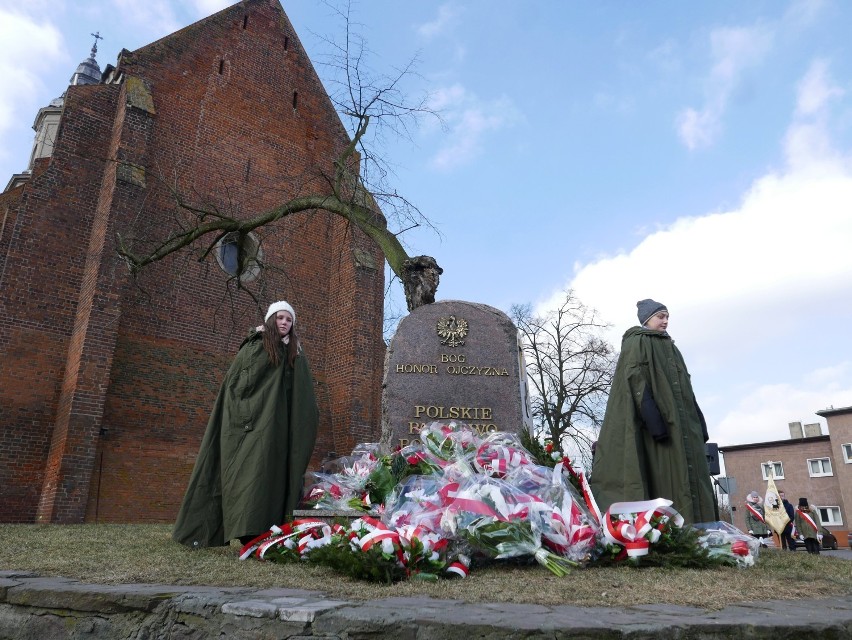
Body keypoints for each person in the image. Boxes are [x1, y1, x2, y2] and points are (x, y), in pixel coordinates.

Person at [173, 301, 319, 548]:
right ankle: (247, 531)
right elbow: (240, 386)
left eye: (289, 320)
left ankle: (270, 530)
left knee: (272, 476)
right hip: (253, 427)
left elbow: (301, 394)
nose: (284, 323)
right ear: (272, 320)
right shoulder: (257, 346)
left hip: (279, 429)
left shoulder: (295, 351)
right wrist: (250, 420)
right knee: (251, 475)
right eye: (280, 318)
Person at [590, 299, 716, 524]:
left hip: (681, 425)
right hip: (658, 426)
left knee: (686, 476)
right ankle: (667, 528)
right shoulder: (637, 343)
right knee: (664, 475)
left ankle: (696, 529)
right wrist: (655, 423)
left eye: (667, 316)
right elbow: (635, 381)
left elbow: (686, 388)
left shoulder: (671, 347)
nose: (666, 321)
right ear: (647, 319)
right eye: (661, 316)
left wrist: (699, 423)